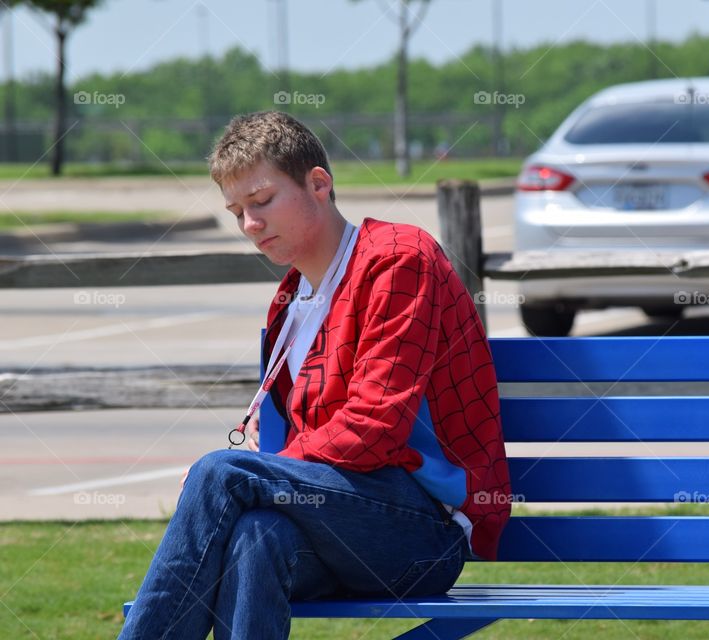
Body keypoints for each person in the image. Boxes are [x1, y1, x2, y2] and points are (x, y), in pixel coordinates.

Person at [119, 111, 511, 639]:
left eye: (261, 202)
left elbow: (373, 429)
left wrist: (255, 471)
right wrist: (266, 464)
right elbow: (305, 448)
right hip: (339, 525)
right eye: (237, 211)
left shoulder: (398, 259)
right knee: (257, 537)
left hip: (424, 533)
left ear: (319, 184)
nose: (249, 225)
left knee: (221, 472)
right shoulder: (289, 302)